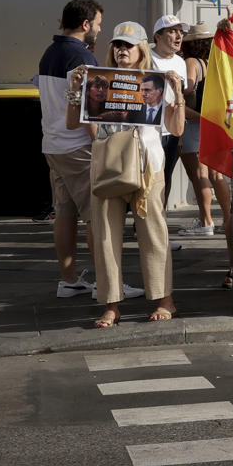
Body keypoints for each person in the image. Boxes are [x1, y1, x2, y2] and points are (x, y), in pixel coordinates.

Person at [90, 22, 182, 327]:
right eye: (117, 44)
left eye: (127, 45)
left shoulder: (156, 82)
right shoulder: (100, 81)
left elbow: (177, 128)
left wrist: (177, 92)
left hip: (148, 165)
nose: (121, 50)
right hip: (110, 165)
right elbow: (77, 123)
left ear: (141, 48)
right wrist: (77, 91)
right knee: (105, 236)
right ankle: (112, 305)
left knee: (153, 233)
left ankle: (164, 298)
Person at [37, 0, 116, 300]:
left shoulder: (50, 52)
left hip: (53, 145)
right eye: (98, 24)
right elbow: (88, 109)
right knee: (97, 216)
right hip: (79, 147)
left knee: (65, 214)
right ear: (85, 24)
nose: (99, 29)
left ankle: (69, 280)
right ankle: (107, 286)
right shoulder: (82, 57)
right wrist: (101, 141)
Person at [177, 26, 221, 238]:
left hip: (192, 120)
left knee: (197, 175)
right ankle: (210, 220)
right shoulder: (211, 62)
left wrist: (177, 87)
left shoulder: (191, 63)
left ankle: (206, 221)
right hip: (207, 120)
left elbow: (188, 88)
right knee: (207, 174)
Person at [148, 17, 189, 196]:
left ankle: (160, 219)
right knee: (147, 180)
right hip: (149, 131)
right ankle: (143, 223)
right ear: (158, 36)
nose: (179, 35)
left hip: (171, 132)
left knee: (165, 179)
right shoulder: (146, 58)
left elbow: (180, 98)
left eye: (180, 31)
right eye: (172, 31)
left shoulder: (180, 62)